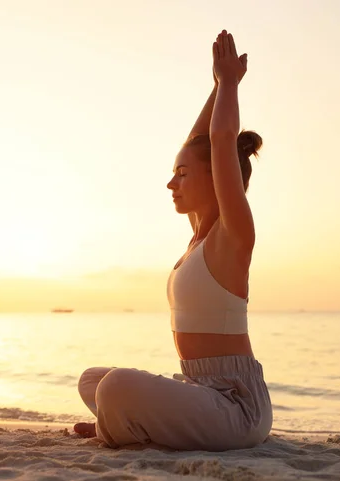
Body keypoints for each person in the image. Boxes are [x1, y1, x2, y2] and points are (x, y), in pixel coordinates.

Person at [73, 30, 272, 451]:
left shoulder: (232, 236)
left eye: (182, 175)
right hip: (200, 391)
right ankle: (128, 421)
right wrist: (216, 88)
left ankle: (124, 422)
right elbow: (197, 144)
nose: (170, 183)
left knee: (116, 388)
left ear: (218, 179)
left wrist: (231, 85)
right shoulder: (197, 239)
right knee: (94, 380)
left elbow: (218, 143)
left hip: (236, 408)